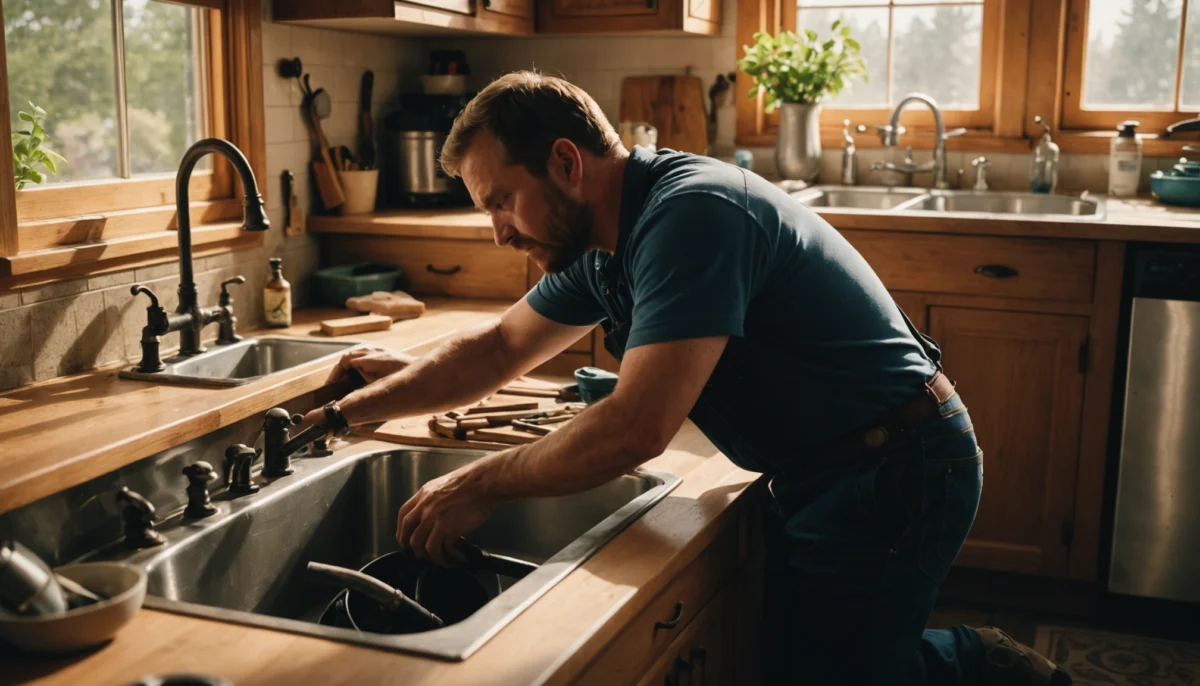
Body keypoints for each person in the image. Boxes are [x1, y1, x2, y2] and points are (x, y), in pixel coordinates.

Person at [303, 72, 1069, 686]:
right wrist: (350, 411)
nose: (500, 231)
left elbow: (637, 427)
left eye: (502, 201)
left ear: (566, 163)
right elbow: (499, 348)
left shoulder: (690, 214)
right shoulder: (603, 244)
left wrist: (478, 485)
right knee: (801, 660)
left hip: (895, 466)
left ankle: (992, 665)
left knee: (849, 673)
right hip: (827, 468)